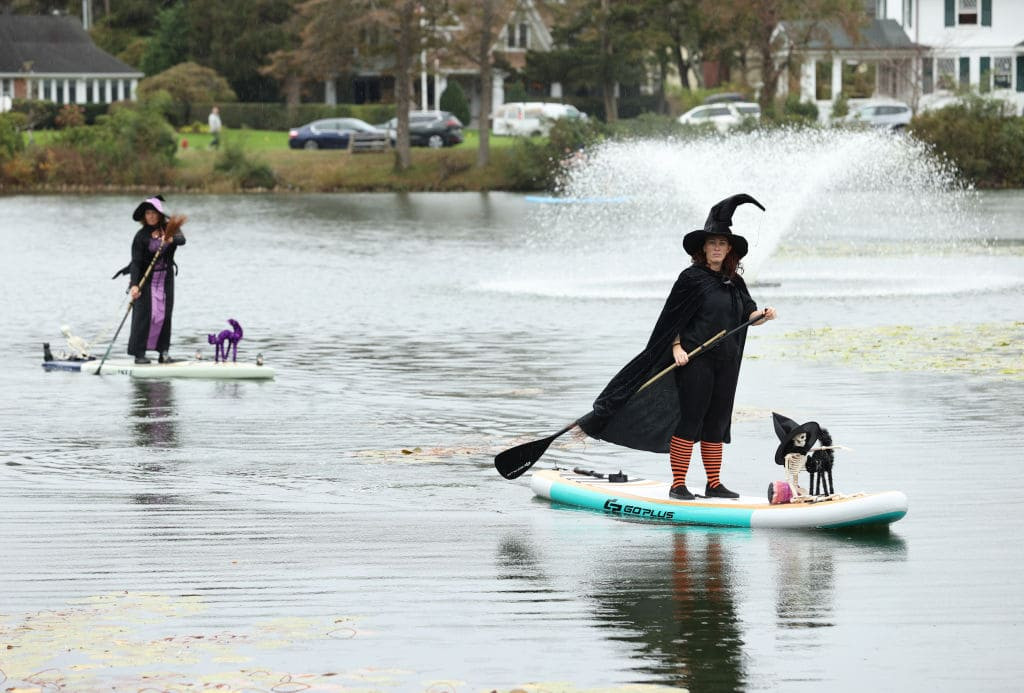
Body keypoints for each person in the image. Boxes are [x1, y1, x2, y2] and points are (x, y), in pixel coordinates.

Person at [576, 193, 776, 500]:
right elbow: (671, 319)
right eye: (712, 243)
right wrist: (677, 347)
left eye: (722, 243)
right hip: (695, 359)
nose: (717, 248)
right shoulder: (691, 278)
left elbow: (748, 316)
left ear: (729, 249)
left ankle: (713, 485)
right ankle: (678, 484)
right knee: (691, 420)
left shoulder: (735, 282)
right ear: (703, 248)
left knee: (717, 422)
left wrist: (762, 315)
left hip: (726, 361)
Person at [118, 195, 186, 364]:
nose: (151, 216)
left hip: (165, 280)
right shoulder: (141, 236)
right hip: (146, 280)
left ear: (159, 214)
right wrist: (134, 285)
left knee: (164, 316)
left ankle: (163, 352)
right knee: (144, 315)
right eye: (148, 213)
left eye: (154, 213)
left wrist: (170, 239)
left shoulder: (169, 228)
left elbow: (182, 240)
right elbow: (136, 263)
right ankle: (139, 354)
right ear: (144, 216)